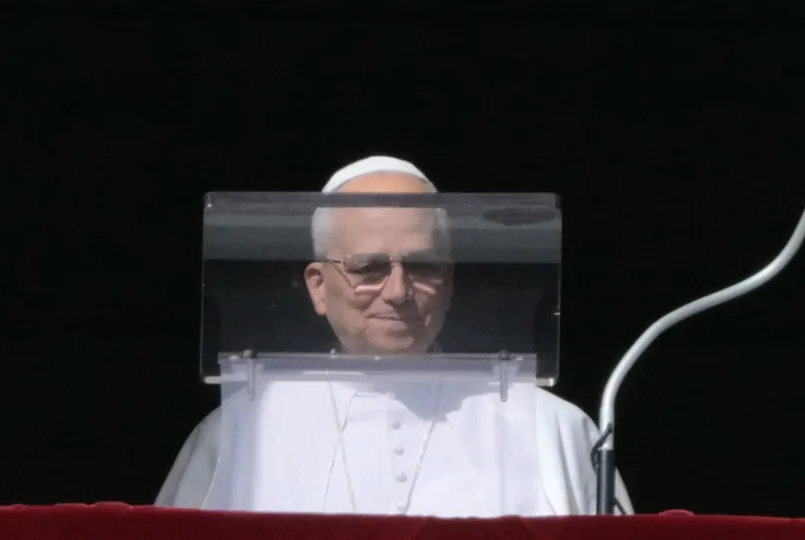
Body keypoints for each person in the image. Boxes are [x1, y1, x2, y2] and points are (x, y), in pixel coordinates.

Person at [155, 156, 633, 516]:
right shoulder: (243, 430)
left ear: (449, 282)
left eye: (422, 267)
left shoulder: (550, 427)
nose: (399, 291)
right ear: (318, 287)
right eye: (368, 268)